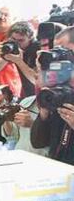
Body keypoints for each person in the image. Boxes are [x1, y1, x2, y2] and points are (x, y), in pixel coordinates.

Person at [31, 26, 74, 165]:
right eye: (55, 49)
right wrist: (44, 112)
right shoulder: (56, 91)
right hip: (58, 170)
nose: (56, 55)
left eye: (63, 50)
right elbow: (38, 142)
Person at [0, 21, 40, 98]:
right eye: (13, 39)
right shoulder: (11, 46)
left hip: (39, 93)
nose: (17, 43)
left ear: (30, 38)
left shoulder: (38, 49)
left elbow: (36, 80)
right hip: (26, 95)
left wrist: (19, 61)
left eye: (21, 40)